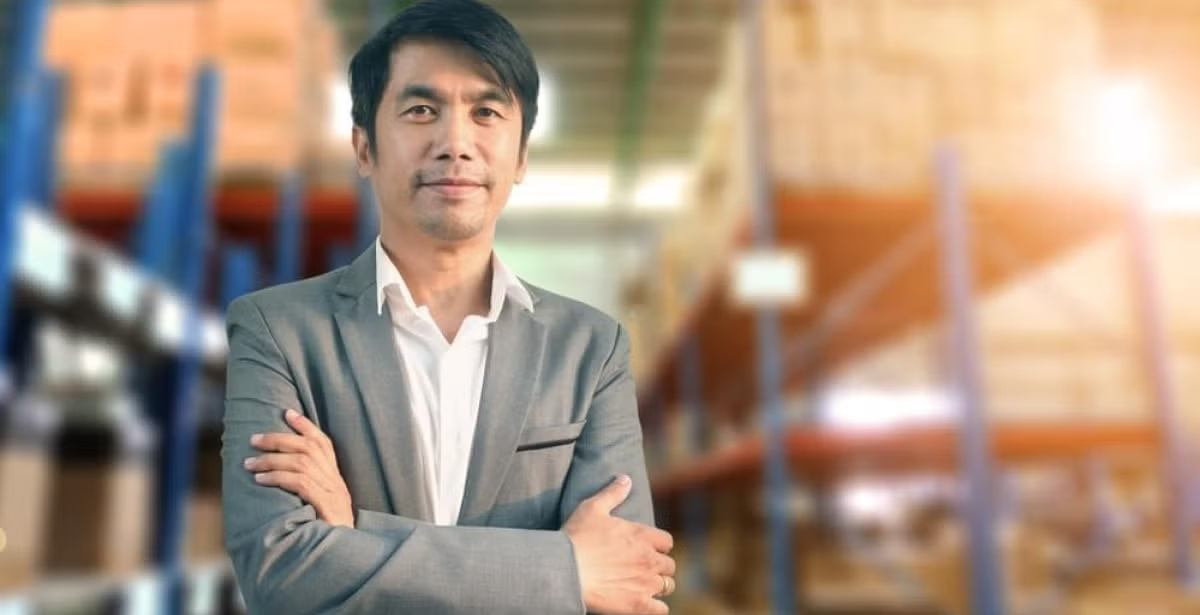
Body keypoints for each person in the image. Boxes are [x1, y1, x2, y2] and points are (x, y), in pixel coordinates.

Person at [220, 0, 676, 613]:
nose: (455, 143)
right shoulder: (277, 331)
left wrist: (355, 531)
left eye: (486, 112)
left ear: (520, 158)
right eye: (420, 110)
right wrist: (564, 569)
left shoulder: (592, 350)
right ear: (363, 148)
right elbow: (279, 572)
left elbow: (626, 582)